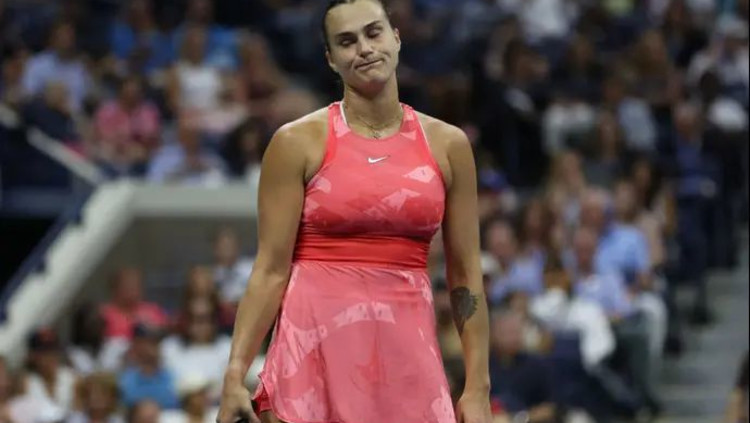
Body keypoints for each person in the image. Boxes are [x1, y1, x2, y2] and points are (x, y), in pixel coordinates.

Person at [216, 1, 492, 423]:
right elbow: (270, 269)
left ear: (396, 38)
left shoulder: (449, 145)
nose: (364, 48)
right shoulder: (296, 142)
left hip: (407, 361)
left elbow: (466, 275)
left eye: (373, 33)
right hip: (311, 363)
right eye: (347, 41)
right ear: (331, 59)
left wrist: (477, 388)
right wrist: (235, 374)